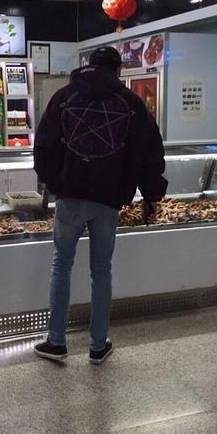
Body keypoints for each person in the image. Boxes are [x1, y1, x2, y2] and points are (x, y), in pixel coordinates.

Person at [33, 47, 167, 364]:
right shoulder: (131, 103)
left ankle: (56, 342)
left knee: (61, 265)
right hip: (108, 199)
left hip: (70, 197)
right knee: (102, 272)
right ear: (118, 70)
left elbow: (44, 145)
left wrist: (53, 182)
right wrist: (151, 195)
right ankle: (97, 345)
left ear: (88, 66)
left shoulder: (64, 97)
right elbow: (148, 151)